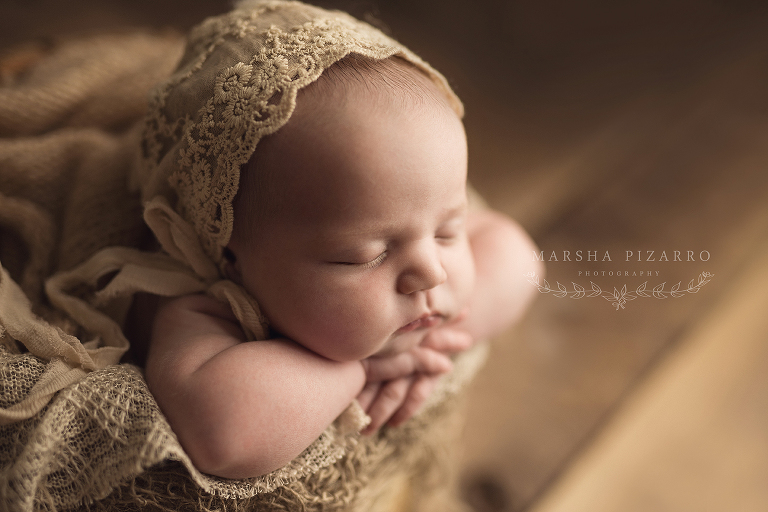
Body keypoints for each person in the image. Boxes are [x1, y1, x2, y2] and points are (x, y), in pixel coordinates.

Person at [143, 47, 541, 479]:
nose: (432, 273)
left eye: (447, 232)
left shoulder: (396, 210)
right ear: (233, 260)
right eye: (364, 257)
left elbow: (518, 257)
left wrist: (438, 342)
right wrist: (363, 369)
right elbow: (221, 436)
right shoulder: (201, 304)